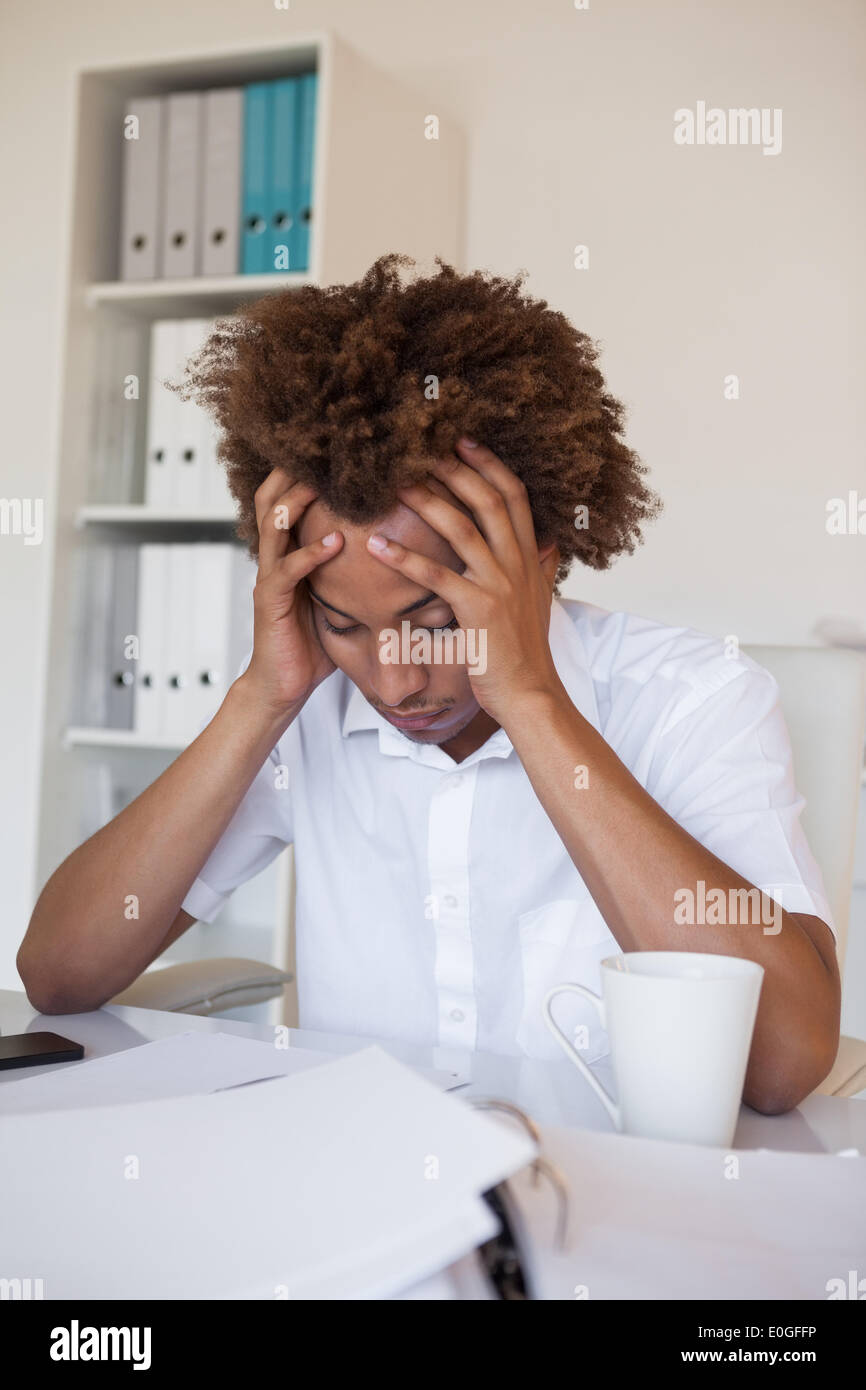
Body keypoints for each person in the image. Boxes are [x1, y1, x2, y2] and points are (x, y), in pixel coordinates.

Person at [17, 254, 839, 1114]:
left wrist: (532, 703)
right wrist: (262, 697)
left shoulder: (692, 698)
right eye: (344, 625)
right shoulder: (308, 710)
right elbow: (59, 973)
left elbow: (784, 1061)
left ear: (540, 558)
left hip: (606, 1202)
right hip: (369, 1196)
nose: (395, 680)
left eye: (435, 622)